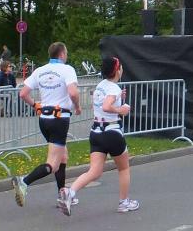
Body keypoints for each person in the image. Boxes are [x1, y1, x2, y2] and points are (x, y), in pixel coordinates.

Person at [58, 56, 137, 215]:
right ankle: (124, 202)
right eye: (121, 66)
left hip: (96, 133)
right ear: (117, 70)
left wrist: (119, 98)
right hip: (112, 132)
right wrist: (121, 110)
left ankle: (70, 193)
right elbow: (107, 106)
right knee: (123, 168)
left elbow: (103, 102)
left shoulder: (101, 86)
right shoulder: (114, 88)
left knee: (94, 171)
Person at [13, 42, 81, 207]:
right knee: (53, 163)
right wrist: (78, 106)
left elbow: (23, 93)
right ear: (62, 54)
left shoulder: (40, 70)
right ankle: (24, 181)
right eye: (66, 53)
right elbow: (73, 92)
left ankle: (62, 195)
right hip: (59, 119)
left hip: (44, 119)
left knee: (63, 156)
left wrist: (35, 105)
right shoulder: (67, 69)